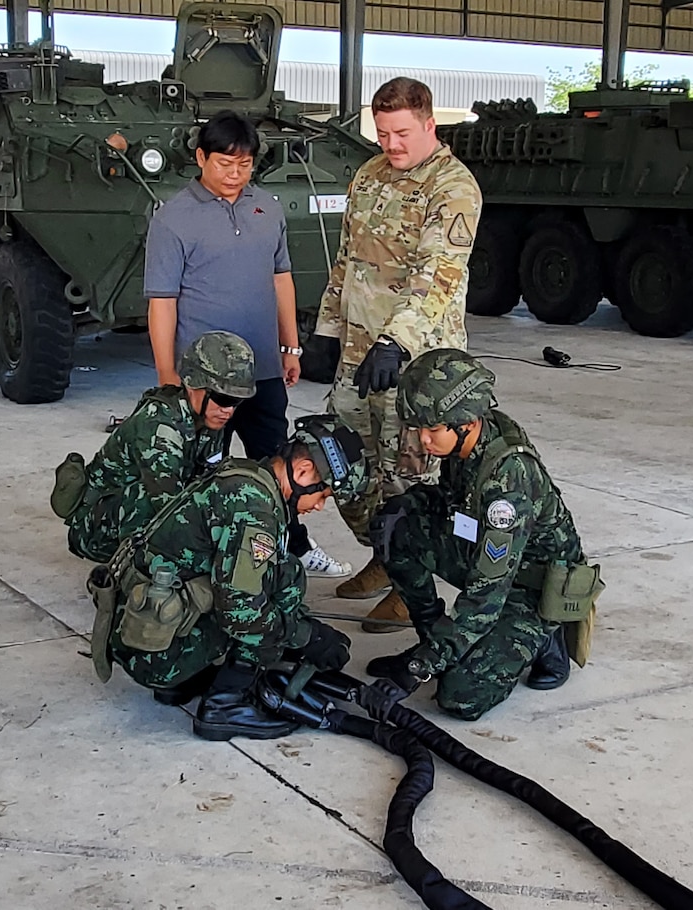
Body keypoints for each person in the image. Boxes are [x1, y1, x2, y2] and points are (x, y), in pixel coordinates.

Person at [144, 110, 352, 580]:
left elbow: (281, 278)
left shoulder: (267, 208)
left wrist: (291, 346)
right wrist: (167, 377)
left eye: (245, 165)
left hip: (262, 370)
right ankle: (196, 564)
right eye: (224, 164)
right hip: (206, 381)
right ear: (200, 157)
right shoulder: (174, 218)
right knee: (199, 472)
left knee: (280, 465)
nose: (235, 175)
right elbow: (162, 302)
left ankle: (292, 547)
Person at [314, 76, 483, 633]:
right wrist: (328, 328)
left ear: (430, 124)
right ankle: (385, 557)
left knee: (410, 475)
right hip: (358, 354)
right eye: (382, 133)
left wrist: (395, 341)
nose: (391, 145)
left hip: (416, 363)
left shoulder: (453, 188)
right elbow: (347, 259)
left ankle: (414, 588)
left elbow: (436, 278)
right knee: (345, 462)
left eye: (402, 133)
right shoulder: (369, 174)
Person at [91, 415, 368, 741]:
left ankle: (179, 683)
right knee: (286, 578)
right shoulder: (255, 512)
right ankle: (226, 706)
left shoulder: (246, 475)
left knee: (270, 580)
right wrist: (308, 636)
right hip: (156, 654)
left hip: (141, 635)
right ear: (304, 470)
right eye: (323, 495)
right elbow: (244, 616)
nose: (320, 506)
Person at [362, 349, 599, 721]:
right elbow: (455, 505)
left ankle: (545, 636)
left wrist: (419, 670)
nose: (423, 440)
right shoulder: (467, 444)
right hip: (489, 557)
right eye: (419, 427)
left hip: (532, 589)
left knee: (460, 696)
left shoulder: (507, 480)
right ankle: (434, 638)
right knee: (395, 523)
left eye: (432, 429)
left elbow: (486, 596)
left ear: (466, 422)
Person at [59, 332, 254, 562]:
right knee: (152, 502)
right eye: (223, 398)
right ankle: (135, 570)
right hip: (94, 530)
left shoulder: (209, 419)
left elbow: (210, 484)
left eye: (236, 401)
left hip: (128, 512)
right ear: (193, 385)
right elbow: (168, 509)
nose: (229, 410)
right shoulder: (159, 428)